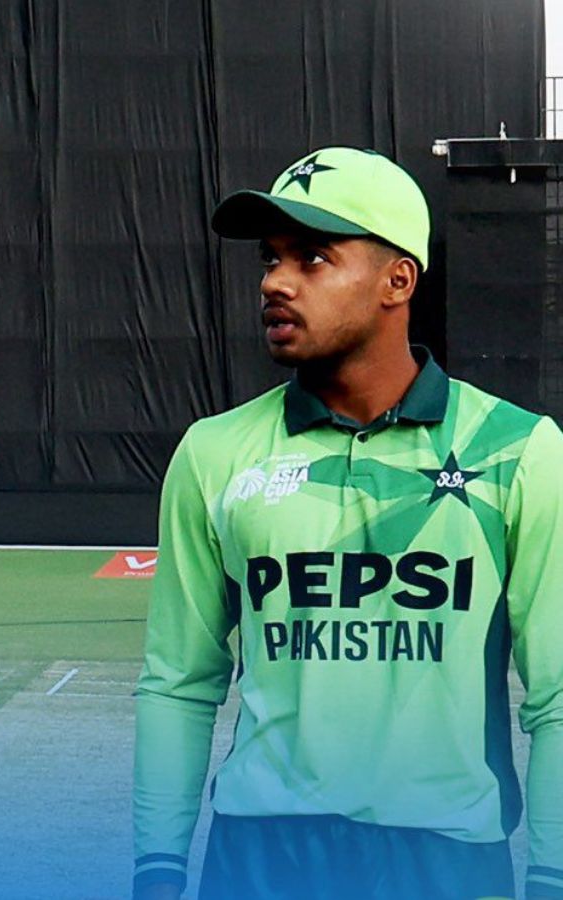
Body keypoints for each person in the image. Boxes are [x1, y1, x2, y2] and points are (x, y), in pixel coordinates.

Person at [132, 147, 563, 900]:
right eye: (271, 259)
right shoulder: (214, 452)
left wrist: (551, 875)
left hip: (448, 861)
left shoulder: (519, 449)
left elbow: (557, 698)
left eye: (313, 257)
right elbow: (178, 682)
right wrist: (157, 870)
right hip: (259, 858)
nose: (275, 281)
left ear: (399, 280)